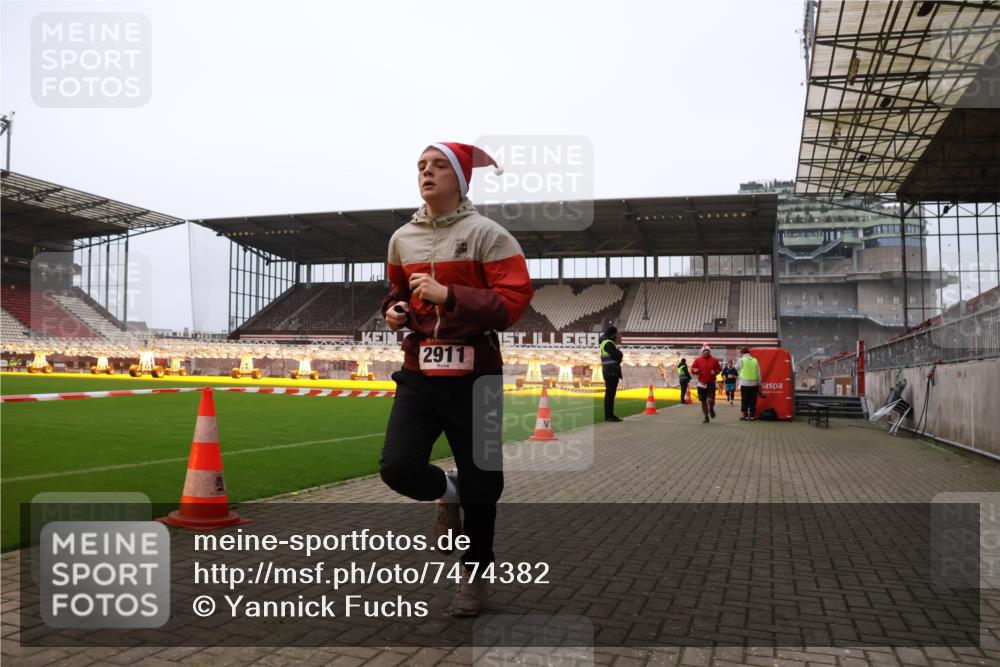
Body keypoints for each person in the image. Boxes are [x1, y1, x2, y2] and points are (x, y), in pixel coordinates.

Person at [379, 141, 534, 617]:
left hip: (477, 377)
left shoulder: (489, 235)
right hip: (419, 372)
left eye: (438, 166)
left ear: (461, 179)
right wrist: (394, 311)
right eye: (421, 166)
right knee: (397, 467)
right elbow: (395, 291)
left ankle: (473, 576)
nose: (426, 172)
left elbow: (513, 301)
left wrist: (450, 295)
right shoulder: (401, 238)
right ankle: (448, 491)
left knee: (483, 486)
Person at [689, 344, 722, 424]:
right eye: (704, 350)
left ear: (709, 351)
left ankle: (711, 408)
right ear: (702, 352)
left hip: (711, 383)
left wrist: (715, 372)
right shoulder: (698, 360)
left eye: (707, 350)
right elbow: (692, 369)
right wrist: (694, 370)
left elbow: (719, 369)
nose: (706, 352)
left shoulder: (714, 360)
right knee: (703, 401)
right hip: (701, 384)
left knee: (711, 400)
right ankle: (706, 416)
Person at [599, 326, 624, 422]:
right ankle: (609, 416)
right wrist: (620, 353)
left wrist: (618, 353)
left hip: (608, 371)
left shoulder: (604, 342)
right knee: (610, 394)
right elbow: (617, 356)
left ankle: (609, 415)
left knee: (609, 394)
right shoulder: (608, 343)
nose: (617, 336)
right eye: (616, 334)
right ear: (613, 334)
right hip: (611, 371)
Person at [735, 347, 761, 421]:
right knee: (753, 400)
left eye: (740, 353)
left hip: (744, 383)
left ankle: (744, 415)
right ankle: (752, 416)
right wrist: (759, 384)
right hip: (754, 384)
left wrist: (739, 374)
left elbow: (735, 368)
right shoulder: (755, 360)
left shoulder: (741, 360)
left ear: (743, 353)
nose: (740, 355)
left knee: (745, 399)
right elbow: (759, 373)